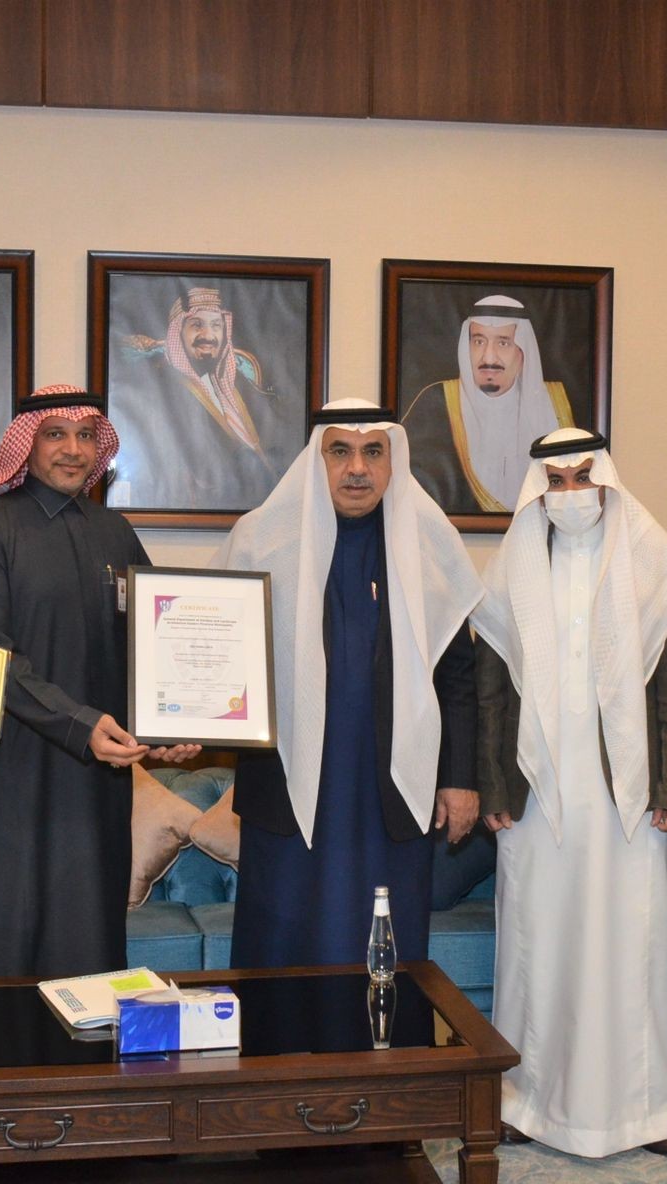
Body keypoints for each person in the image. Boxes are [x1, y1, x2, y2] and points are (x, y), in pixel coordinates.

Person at [471, 427, 667, 1158]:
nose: (571, 494)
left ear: (606, 481)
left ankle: (649, 1113)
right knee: (535, 944)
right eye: (557, 482)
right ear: (538, 491)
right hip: (537, 796)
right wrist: (492, 786)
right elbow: (490, 696)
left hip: (626, 797)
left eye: (583, 478)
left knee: (633, 944)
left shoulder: (654, 563)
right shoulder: (511, 571)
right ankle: (525, 1102)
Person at [214, 398, 485, 968]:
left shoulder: (429, 543)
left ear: (392, 461)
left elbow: (459, 675)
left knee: (382, 938)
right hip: (285, 788)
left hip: (392, 788)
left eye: (372, 452)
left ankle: (381, 1034)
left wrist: (460, 779)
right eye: (340, 451)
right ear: (316, 459)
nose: (357, 468)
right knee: (282, 938)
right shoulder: (261, 539)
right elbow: (217, 654)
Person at [0, 384, 198, 979]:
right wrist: (82, 725)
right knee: (11, 933)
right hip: (13, 775)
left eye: (86, 436)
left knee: (91, 933)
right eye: (55, 435)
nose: (74, 450)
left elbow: (148, 645)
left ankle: (88, 1045)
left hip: (98, 780)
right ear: (25, 446)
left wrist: (169, 725)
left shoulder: (115, 532)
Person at [108, 286, 304, 510]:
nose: (208, 336)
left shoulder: (240, 383)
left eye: (216, 325)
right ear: (178, 333)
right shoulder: (163, 390)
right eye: (196, 325)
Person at [401, 294, 575, 514]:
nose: (489, 357)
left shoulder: (557, 403)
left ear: (523, 351)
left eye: (503, 343)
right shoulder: (435, 403)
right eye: (479, 342)